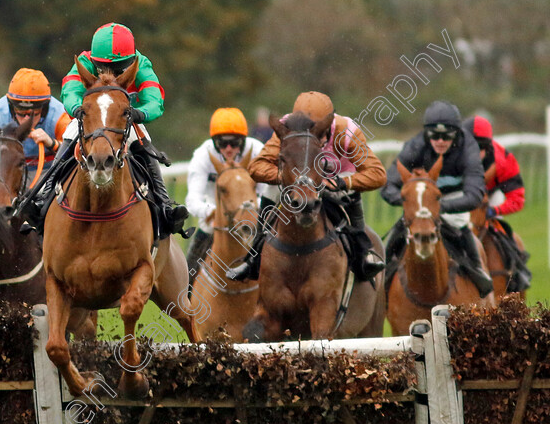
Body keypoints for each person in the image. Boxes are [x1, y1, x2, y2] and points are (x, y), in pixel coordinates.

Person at [18, 22, 191, 238]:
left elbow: (155, 101)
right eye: (103, 69)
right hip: (90, 118)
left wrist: (139, 114)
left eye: (118, 70)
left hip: (124, 120)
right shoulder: (84, 61)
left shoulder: (142, 65)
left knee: (144, 141)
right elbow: (69, 90)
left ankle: (165, 206)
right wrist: (77, 109)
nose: (111, 74)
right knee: (70, 134)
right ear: (94, 62)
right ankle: (43, 200)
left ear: (130, 62)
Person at [228, 91, 387, 282]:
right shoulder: (286, 128)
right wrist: (287, 177)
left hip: (337, 179)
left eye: (319, 133)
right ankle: (253, 256)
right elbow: (257, 167)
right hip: (299, 182)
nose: (312, 139)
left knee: (352, 188)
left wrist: (345, 182)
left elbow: (378, 174)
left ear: (328, 125)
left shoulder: (348, 131)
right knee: (271, 188)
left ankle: (364, 252)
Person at [381, 101, 493, 296]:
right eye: (435, 135)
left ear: (457, 133)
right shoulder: (415, 146)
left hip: (453, 198)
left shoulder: (468, 149)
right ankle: (382, 274)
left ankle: (478, 271)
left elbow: (474, 194)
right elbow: (388, 183)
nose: (440, 141)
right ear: (426, 134)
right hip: (421, 198)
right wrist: (412, 204)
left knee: (460, 225)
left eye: (446, 136)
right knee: (400, 227)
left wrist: (440, 207)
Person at [185, 107, 278, 284]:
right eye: (222, 143)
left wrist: (248, 208)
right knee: (199, 244)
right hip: (215, 210)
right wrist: (214, 212)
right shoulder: (202, 154)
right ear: (213, 142)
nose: (229, 148)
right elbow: (192, 200)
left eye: (234, 143)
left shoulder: (258, 150)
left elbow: (268, 191)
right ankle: (185, 290)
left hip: (254, 208)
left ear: (244, 141)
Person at [462, 114, 531, 291]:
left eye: (477, 150)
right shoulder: (451, 155)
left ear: (487, 148)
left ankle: (517, 272)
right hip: (461, 195)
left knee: (505, 235)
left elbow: (517, 199)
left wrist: (493, 210)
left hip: (490, 197)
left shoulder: (504, 161)